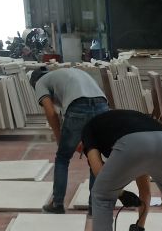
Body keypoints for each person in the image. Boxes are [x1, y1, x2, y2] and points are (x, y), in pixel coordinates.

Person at [29, 65, 109, 213]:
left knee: (62, 157)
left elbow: (51, 113)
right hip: (102, 106)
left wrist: (59, 138)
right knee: (95, 156)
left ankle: (57, 204)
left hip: (78, 105)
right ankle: (95, 206)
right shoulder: (66, 74)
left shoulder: (40, 82)